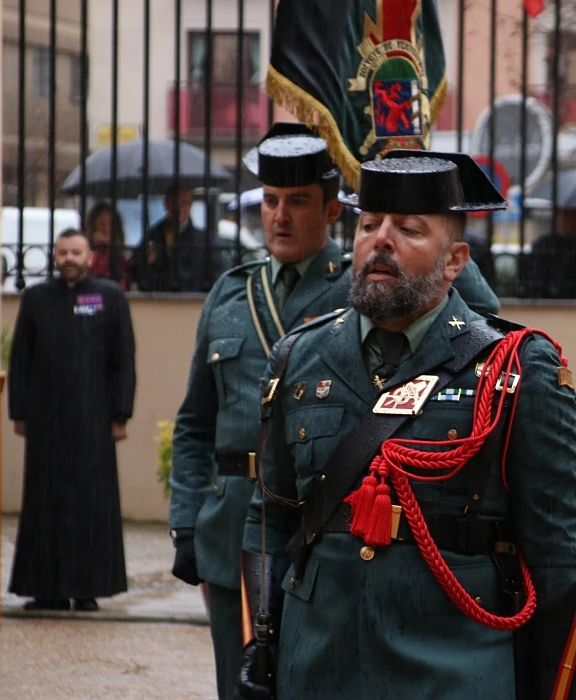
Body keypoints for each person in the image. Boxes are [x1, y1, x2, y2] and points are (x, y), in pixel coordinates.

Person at [235, 150, 576, 699]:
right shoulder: (298, 358)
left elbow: (557, 560)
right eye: (367, 226)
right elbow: (269, 520)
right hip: (316, 667)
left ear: (454, 260)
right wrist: (261, 645)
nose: (380, 240)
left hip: (454, 671)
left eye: (407, 229)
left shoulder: (518, 368)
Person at [167, 123, 502, 700]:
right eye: (270, 202)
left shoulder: (367, 286)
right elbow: (196, 420)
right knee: (242, 684)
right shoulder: (230, 292)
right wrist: (185, 522)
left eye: (297, 202)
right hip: (234, 529)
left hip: (324, 524)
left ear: (330, 214)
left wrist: (413, 192)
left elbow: (475, 326)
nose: (280, 217)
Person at [7, 228, 137, 612]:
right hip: (45, 421)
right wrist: (20, 412)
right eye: (62, 252)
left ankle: (87, 588)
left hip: (94, 419)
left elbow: (123, 361)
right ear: (54, 256)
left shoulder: (110, 297)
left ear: (90, 256)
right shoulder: (35, 299)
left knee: (91, 504)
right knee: (44, 503)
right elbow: (21, 360)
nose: (69, 258)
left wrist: (121, 414)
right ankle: (45, 589)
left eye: (75, 252)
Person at [130, 185, 219, 293]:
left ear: (191, 206)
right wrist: (147, 263)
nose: (179, 207)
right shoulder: (153, 235)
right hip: (159, 301)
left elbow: (216, 274)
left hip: (194, 300)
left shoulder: (204, 239)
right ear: (166, 204)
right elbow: (135, 270)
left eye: (185, 203)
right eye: (175, 202)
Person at [85, 201, 131, 291]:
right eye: (101, 223)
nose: (106, 228)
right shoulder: (86, 252)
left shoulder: (120, 255)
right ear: (93, 225)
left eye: (110, 223)